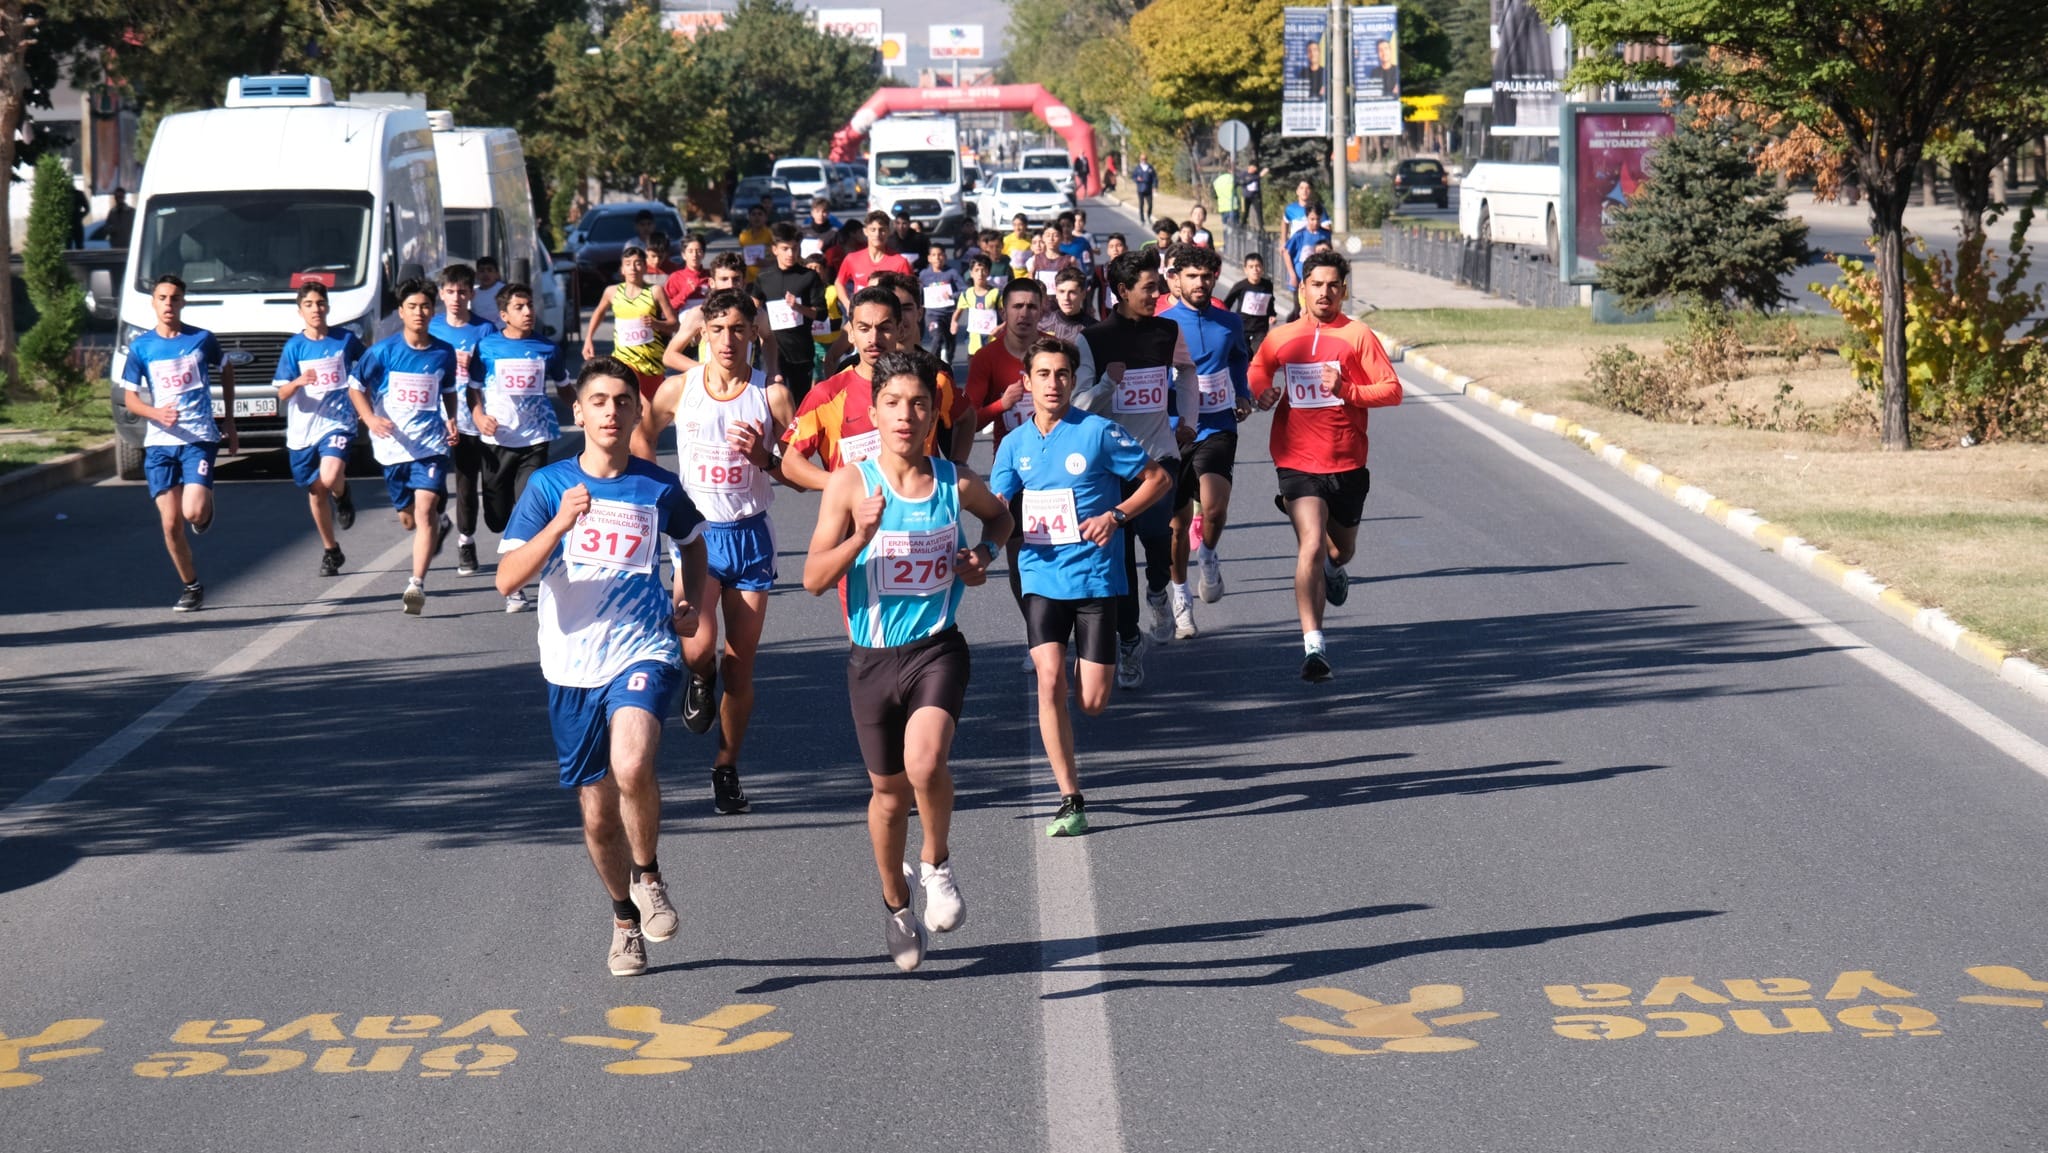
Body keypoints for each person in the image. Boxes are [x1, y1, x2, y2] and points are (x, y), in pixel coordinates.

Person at [496, 357, 709, 977]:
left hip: (642, 648)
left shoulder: (656, 486)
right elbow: (508, 577)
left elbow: (693, 542)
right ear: (579, 412)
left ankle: (649, 876)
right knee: (596, 812)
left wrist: (687, 599)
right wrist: (562, 521)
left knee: (634, 762)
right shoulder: (547, 487)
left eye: (623, 401)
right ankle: (622, 919)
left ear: (639, 412)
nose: (611, 412)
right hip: (570, 666)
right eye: (599, 401)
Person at [802, 351, 1013, 971]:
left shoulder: (956, 483)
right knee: (889, 797)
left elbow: (1001, 520)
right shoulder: (850, 484)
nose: (906, 415)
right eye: (893, 402)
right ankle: (896, 904)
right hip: (871, 660)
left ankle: (936, 864)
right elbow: (814, 577)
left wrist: (983, 557)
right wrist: (859, 538)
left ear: (933, 415)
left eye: (919, 403)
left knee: (926, 762)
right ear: (875, 409)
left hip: (937, 648)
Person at [989, 337, 1172, 837]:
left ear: (1074, 380)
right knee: (1049, 679)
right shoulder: (1012, 444)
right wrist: (993, 531)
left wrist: (1115, 516)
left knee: (1091, 702)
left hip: (1094, 577)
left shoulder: (1098, 432)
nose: (1053, 383)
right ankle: (1070, 798)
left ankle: (1086, 669)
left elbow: (1157, 479)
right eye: (1043, 374)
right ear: (1026, 382)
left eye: (1062, 374)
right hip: (1041, 576)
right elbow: (997, 506)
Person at [635, 290, 795, 817]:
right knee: (696, 647)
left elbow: (798, 473)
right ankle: (698, 677)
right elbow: (643, 435)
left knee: (741, 666)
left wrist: (765, 457)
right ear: (703, 332)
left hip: (750, 536)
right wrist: (657, 493)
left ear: (754, 333)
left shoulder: (770, 395)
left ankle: (726, 767)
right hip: (697, 537)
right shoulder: (680, 388)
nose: (728, 340)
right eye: (718, 328)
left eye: (739, 329)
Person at [1249, 251, 1402, 682]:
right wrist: (1262, 392)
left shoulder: (1358, 335)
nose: (1325, 292)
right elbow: (1258, 367)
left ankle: (1337, 570)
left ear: (1344, 291)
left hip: (1348, 460)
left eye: (1333, 285)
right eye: (1317, 284)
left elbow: (1391, 390)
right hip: (1296, 460)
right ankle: (1313, 646)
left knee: (1340, 549)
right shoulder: (1283, 336)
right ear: (1302, 288)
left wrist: (1349, 389)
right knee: (1311, 544)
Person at [1074, 250, 1200, 689]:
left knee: (1156, 533)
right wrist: (1109, 383)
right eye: (1149, 287)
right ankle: (1129, 640)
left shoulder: (1168, 330)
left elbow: (1187, 373)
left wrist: (1189, 420)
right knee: (1118, 561)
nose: (1157, 294)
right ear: (1122, 291)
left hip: (1159, 454)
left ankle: (1159, 590)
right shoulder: (1093, 338)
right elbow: (1077, 404)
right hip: (1108, 465)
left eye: (1158, 286)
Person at [118, 274, 237, 612]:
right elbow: (131, 400)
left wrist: (228, 419)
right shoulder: (142, 347)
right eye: (162, 298)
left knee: (193, 511)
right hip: (160, 443)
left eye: (175, 298)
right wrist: (156, 413)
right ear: (153, 302)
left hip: (198, 437)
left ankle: (205, 508)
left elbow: (227, 369)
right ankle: (191, 586)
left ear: (183, 302)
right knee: (170, 524)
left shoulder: (201, 340)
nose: (168, 304)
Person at [348, 278, 460, 615]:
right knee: (409, 521)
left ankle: (416, 585)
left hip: (430, 447)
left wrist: (451, 419)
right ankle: (438, 527)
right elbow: (355, 387)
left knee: (425, 510)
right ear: (401, 312)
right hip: (392, 449)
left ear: (432, 310)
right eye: (412, 306)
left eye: (425, 306)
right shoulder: (383, 352)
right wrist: (369, 419)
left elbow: (449, 391)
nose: (420, 312)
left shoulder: (444, 352)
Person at [780, 287, 959, 492]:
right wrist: (841, 484)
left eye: (884, 328)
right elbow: (791, 463)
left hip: (922, 517)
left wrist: (958, 463)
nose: (874, 339)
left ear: (900, 330)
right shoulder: (826, 394)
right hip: (856, 521)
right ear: (851, 334)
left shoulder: (933, 382)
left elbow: (967, 417)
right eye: (864, 328)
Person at [1160, 244, 1253, 630]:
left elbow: (1238, 358)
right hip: (1171, 430)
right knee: (1177, 525)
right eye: (1192, 276)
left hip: (1217, 424)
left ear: (1215, 277)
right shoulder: (1162, 324)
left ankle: (1209, 556)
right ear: (1176, 280)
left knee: (1213, 508)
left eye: (1206, 276)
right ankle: (1181, 598)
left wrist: (1243, 392)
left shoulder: (1228, 322)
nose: (1200, 283)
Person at [472, 282, 568, 612]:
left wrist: (585, 410)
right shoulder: (486, 348)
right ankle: (508, 542)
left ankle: (517, 587)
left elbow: (566, 386)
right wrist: (479, 415)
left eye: (530, 305)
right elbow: (472, 389)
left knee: (526, 511)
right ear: (503, 315)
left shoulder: (547, 348)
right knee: (498, 518)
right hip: (497, 442)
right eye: (519, 307)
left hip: (535, 439)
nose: (528, 312)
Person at [274, 282, 365, 577]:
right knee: (315, 492)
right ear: (300, 311)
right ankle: (331, 550)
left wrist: (366, 404)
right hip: (304, 430)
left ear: (327, 306)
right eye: (309, 304)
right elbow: (282, 393)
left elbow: (368, 368)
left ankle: (342, 493)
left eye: (320, 303)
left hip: (338, 422)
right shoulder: (294, 346)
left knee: (328, 476)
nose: (316, 309)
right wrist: (298, 381)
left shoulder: (345, 340)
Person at [431, 264, 499, 579]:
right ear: (441, 294)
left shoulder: (485, 330)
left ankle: (477, 539)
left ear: (472, 294)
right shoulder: (432, 328)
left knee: (481, 483)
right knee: (448, 483)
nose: (456, 297)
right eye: (450, 291)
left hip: (477, 418)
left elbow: (495, 374)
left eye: (462, 291)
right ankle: (452, 530)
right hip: (443, 419)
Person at [583, 245, 678, 401]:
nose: (633, 268)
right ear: (622, 269)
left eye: (638, 263)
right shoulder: (612, 292)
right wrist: (588, 339)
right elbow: (598, 313)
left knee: (649, 412)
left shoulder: (655, 291)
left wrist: (656, 324)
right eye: (628, 264)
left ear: (645, 267)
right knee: (628, 401)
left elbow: (675, 324)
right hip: (624, 360)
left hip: (651, 361)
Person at [752, 222, 828, 404]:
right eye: (785, 249)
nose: (790, 254)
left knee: (799, 402)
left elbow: (821, 314)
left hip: (801, 351)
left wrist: (798, 307)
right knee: (773, 401)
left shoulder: (809, 276)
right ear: (775, 249)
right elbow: (753, 309)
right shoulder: (764, 278)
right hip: (773, 351)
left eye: (795, 249)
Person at [836, 210, 913, 305]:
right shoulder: (852, 258)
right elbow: (839, 282)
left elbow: (910, 293)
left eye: (882, 230)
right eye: (873, 230)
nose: (877, 234)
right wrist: (847, 305)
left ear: (889, 232)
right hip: (860, 316)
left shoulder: (900, 262)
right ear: (865, 231)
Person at [918, 241, 966, 365]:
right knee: (937, 337)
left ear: (945, 256)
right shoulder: (924, 275)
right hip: (932, 314)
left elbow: (964, 290)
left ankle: (948, 360)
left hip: (949, 313)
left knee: (950, 341)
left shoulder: (952, 273)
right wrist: (920, 303)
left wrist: (952, 295)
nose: (937, 258)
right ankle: (933, 363)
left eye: (940, 254)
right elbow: (919, 292)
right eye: (933, 255)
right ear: (929, 258)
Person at [1222, 252, 1276, 353]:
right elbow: (1227, 304)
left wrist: (1272, 314)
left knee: (1259, 353)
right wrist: (1226, 319)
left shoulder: (1268, 285)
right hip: (1243, 327)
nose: (1255, 270)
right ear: (1245, 270)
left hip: (1260, 328)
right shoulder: (1240, 286)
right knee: (1244, 354)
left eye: (1258, 266)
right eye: (1251, 267)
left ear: (1263, 268)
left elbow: (1270, 301)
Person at [953, 253, 1003, 357]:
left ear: (988, 272)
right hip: (973, 342)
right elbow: (958, 312)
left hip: (992, 340)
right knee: (973, 370)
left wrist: (999, 328)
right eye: (976, 270)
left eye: (983, 270)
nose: (980, 274)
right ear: (971, 273)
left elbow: (1008, 316)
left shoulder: (996, 294)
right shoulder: (967, 294)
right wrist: (954, 322)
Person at [1040, 266, 1092, 343]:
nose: (1066, 298)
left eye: (1072, 292)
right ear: (1056, 293)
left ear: (1083, 294)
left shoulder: (1094, 330)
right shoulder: (1041, 325)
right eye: (1062, 291)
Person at [1286, 206, 1334, 289]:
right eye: (1312, 219)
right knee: (1299, 301)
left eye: (1318, 219)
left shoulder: (1326, 234)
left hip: (1320, 277)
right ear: (1307, 217)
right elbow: (1287, 253)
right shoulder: (1299, 235)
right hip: (1300, 276)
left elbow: (1330, 253)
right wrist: (1292, 275)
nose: (1315, 222)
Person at [663, 234, 710, 315]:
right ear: (683, 255)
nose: (694, 255)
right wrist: (685, 292)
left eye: (698, 251)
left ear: (703, 254)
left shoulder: (711, 276)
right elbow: (667, 309)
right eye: (690, 251)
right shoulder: (675, 278)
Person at [1091, 233, 1128, 316]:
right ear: (1107, 251)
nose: (1115, 249)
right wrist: (1089, 305)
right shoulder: (1100, 271)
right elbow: (1090, 289)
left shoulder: (1132, 270)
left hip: (1127, 314)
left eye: (1119, 245)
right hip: (1107, 314)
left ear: (1126, 248)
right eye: (1111, 246)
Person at [737, 205, 774, 283]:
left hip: (767, 278)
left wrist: (767, 263)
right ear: (749, 217)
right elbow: (743, 257)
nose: (757, 217)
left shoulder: (772, 235)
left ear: (766, 217)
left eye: (760, 214)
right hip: (749, 280)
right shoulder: (743, 236)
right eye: (753, 214)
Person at [471, 256, 505, 326]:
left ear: (497, 274)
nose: (486, 274)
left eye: (490, 270)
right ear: (477, 275)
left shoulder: (504, 290)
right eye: (482, 271)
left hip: (501, 333)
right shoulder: (473, 293)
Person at [1133, 153, 1158, 222]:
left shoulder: (1150, 167)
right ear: (1140, 159)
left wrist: (1155, 187)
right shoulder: (1137, 168)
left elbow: (1154, 178)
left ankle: (1149, 215)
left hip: (1148, 188)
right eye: (1142, 159)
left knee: (1150, 204)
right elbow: (1133, 177)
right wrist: (1137, 179)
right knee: (1141, 204)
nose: (1143, 160)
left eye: (1145, 159)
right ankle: (1142, 217)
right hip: (1140, 188)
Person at [1242, 164, 1265, 233]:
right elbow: (1246, 181)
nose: (1255, 169)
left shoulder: (1256, 174)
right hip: (1246, 196)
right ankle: (1243, 226)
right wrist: (1259, 176)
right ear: (1249, 167)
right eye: (1253, 167)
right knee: (1245, 212)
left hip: (1255, 196)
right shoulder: (1244, 174)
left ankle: (1261, 227)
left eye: (1255, 168)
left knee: (1259, 212)